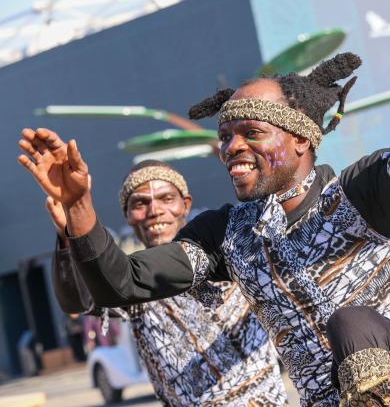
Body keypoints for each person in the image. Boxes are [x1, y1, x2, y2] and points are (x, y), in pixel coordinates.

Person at [18, 0, 390, 405]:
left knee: (352, 323)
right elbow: (124, 282)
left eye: (251, 133)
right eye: (224, 137)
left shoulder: (360, 195)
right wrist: (79, 207)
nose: (232, 147)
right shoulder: (228, 235)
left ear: (300, 138)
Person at [44, 162, 288, 406]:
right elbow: (77, 301)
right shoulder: (129, 284)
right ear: (127, 216)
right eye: (141, 203)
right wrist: (67, 234)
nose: (155, 210)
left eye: (166, 198)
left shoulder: (230, 253)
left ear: (186, 204)